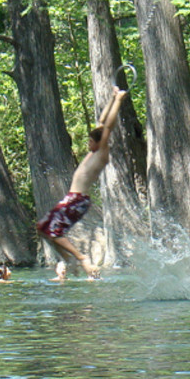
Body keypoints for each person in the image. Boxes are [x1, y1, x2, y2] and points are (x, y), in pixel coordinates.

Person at [37, 86, 128, 278]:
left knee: (53, 231)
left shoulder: (102, 152)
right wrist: (111, 98)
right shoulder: (93, 152)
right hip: (72, 198)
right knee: (42, 228)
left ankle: (82, 258)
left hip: (77, 200)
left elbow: (108, 127)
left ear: (98, 142)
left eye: (90, 141)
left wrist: (119, 100)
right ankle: (68, 260)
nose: (88, 144)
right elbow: (102, 121)